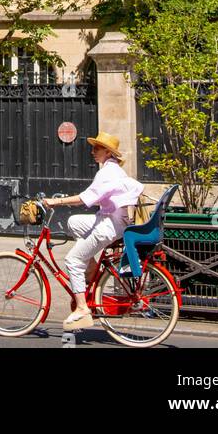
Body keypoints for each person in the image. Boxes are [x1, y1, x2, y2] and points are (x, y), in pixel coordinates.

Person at [42, 131, 143, 328]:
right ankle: (90, 269)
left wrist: (56, 201)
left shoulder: (107, 173)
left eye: (97, 148)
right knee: (74, 222)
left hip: (108, 226)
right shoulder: (112, 170)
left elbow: (86, 198)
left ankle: (81, 309)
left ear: (107, 152)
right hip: (109, 220)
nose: (93, 151)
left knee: (72, 260)